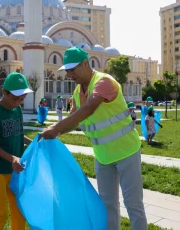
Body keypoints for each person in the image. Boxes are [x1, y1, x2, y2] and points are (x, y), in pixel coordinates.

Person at [40, 47, 147, 229]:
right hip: (103, 156)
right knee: (107, 205)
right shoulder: (77, 93)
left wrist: (56, 127)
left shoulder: (104, 82)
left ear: (85, 63)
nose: (69, 74)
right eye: (67, 70)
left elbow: (89, 108)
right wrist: (54, 133)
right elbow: (74, 121)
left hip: (127, 151)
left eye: (73, 69)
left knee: (133, 204)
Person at [0, 72, 33, 230]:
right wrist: (12, 158)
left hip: (15, 169)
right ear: (4, 92)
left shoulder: (17, 110)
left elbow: (18, 133)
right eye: (15, 98)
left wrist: (33, 143)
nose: (18, 102)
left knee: (19, 209)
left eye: (22, 99)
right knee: (0, 211)